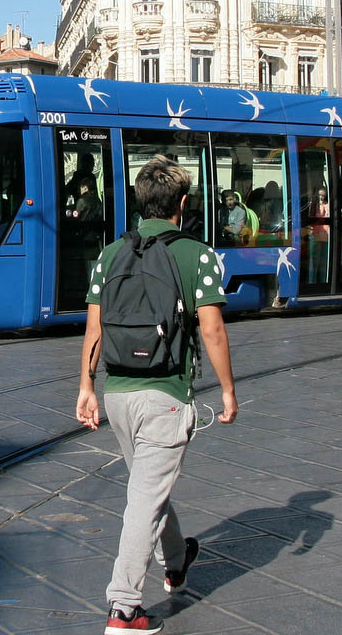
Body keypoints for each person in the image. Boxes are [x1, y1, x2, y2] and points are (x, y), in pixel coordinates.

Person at [76, 155, 238, 634]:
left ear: (140, 200)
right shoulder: (197, 253)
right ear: (182, 204)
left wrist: (86, 386)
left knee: (151, 489)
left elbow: (94, 327)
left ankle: (177, 558)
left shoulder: (110, 254)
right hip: (166, 393)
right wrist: (228, 390)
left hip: (120, 393)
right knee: (144, 500)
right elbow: (212, 330)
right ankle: (124, 609)